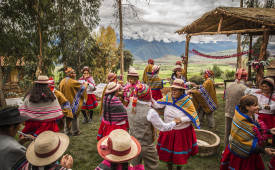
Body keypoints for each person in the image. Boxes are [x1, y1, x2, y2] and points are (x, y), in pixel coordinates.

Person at [152, 79, 200, 170]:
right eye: (172, 89)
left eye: (176, 89)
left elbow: (193, 116)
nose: (173, 91)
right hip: (169, 130)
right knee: (168, 153)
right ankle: (169, 168)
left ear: (182, 91)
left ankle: (179, 168)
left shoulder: (187, 101)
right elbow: (158, 105)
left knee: (179, 154)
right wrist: (150, 99)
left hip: (181, 132)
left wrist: (181, 119)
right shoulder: (169, 97)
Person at [220, 94, 275, 170]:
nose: (258, 107)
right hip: (241, 156)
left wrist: (269, 131)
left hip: (251, 153)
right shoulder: (242, 121)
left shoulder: (252, 116)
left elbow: (256, 129)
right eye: (255, 105)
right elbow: (244, 143)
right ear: (247, 107)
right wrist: (264, 150)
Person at [59, 66, 87, 136]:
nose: (75, 74)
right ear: (70, 74)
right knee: (74, 116)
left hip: (64, 103)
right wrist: (86, 84)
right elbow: (82, 87)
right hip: (71, 102)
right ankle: (75, 131)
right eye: (73, 73)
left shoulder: (62, 81)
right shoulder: (72, 82)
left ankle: (67, 131)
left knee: (66, 116)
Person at [245, 78, 275, 144]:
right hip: (259, 116)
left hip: (269, 117)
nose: (264, 88)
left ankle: (268, 143)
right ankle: (260, 141)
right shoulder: (258, 92)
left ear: (271, 87)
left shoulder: (273, 95)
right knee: (260, 129)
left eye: (266, 87)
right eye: (263, 86)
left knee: (269, 130)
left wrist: (269, 107)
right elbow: (247, 90)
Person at [224, 68, 248, 147]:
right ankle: (235, 149)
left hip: (228, 111)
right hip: (239, 114)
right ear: (245, 78)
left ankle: (226, 149)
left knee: (227, 131)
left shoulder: (228, 85)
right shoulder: (245, 88)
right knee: (237, 132)